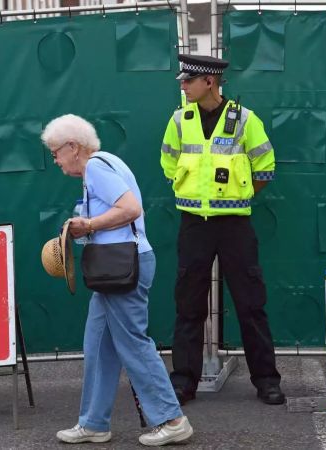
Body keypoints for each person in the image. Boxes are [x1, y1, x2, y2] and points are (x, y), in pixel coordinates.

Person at [43, 114, 193, 446]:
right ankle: (94, 423)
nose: (54, 159)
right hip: (117, 269)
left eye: (55, 152)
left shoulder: (96, 167)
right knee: (97, 344)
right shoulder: (102, 166)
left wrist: (89, 225)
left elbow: (130, 209)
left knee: (133, 343)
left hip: (122, 267)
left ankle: (172, 419)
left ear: (73, 147)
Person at [159, 55, 285, 406]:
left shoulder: (245, 120)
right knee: (188, 305)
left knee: (251, 303)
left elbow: (265, 168)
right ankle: (183, 381)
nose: (183, 87)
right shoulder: (179, 120)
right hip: (193, 224)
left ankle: (267, 381)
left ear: (209, 82)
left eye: (188, 81)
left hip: (234, 225)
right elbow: (169, 163)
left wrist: (238, 197)